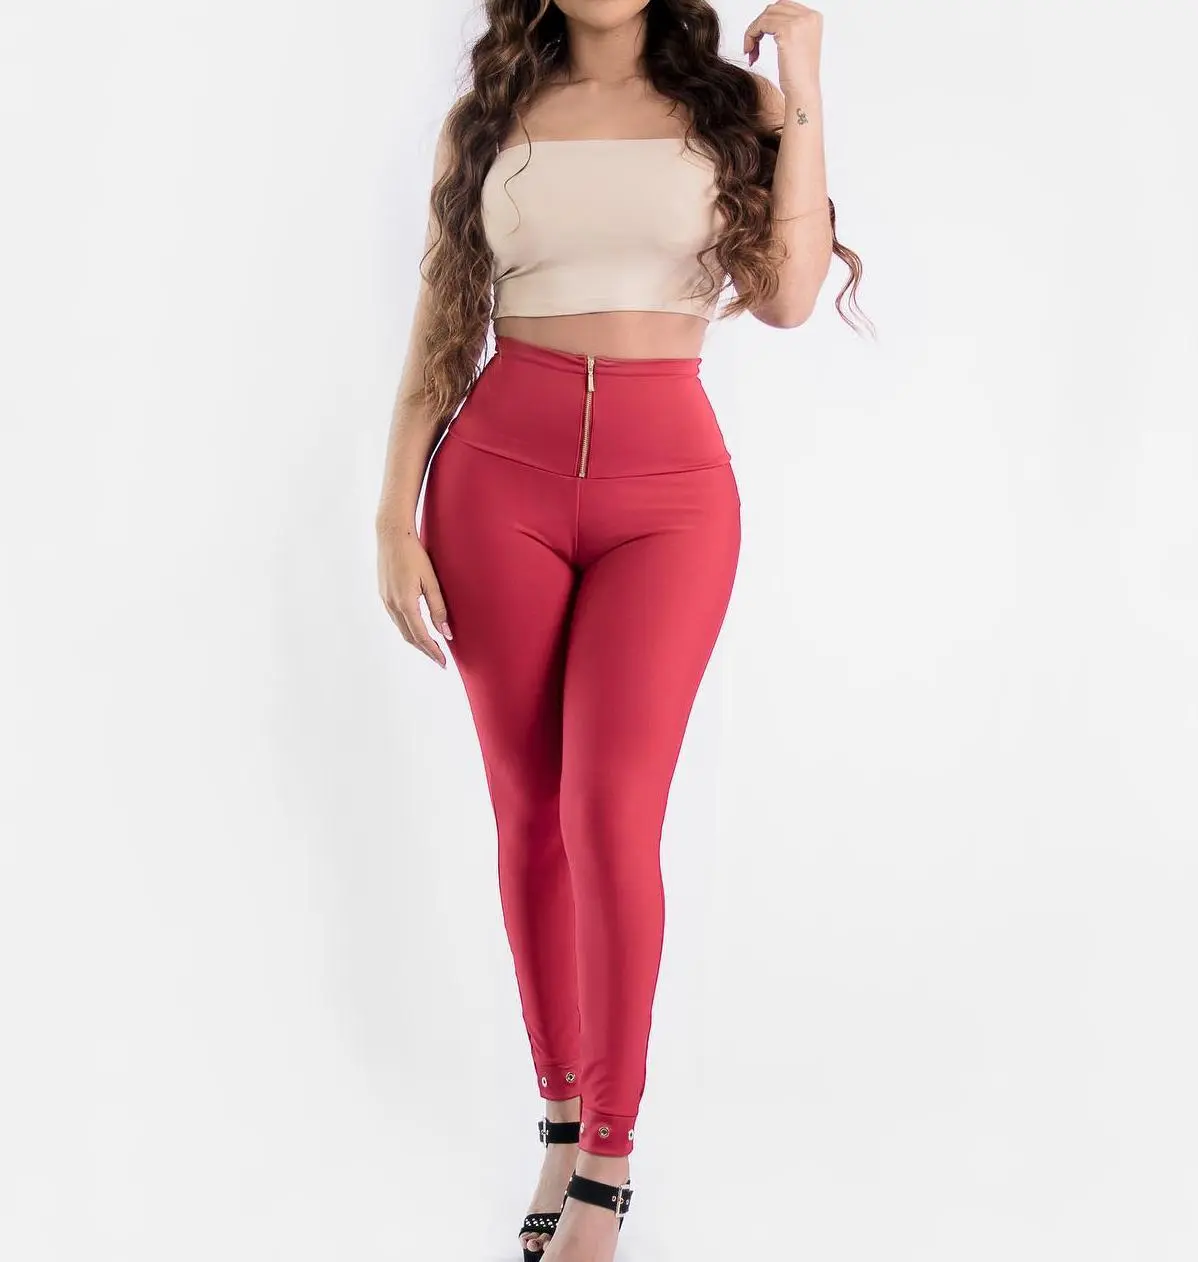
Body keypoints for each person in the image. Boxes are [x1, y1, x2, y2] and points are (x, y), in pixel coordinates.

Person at [375, 3, 868, 1258]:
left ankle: (606, 1155)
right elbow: (443, 314)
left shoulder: (735, 110)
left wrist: (804, 79)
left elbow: (788, 296)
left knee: (608, 813)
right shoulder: (486, 117)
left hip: (669, 498)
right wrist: (391, 510)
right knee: (528, 815)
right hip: (495, 481)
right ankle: (557, 1113)